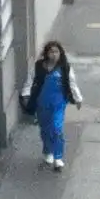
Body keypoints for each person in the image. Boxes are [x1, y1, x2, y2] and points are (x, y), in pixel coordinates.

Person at [26, 41, 83, 172]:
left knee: (56, 129)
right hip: (42, 104)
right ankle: (48, 153)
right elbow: (30, 82)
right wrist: (26, 95)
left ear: (60, 53)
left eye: (56, 52)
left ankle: (58, 158)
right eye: (51, 52)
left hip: (58, 104)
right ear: (46, 53)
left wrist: (78, 98)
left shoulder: (65, 67)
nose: (54, 54)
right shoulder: (39, 67)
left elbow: (72, 83)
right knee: (45, 130)